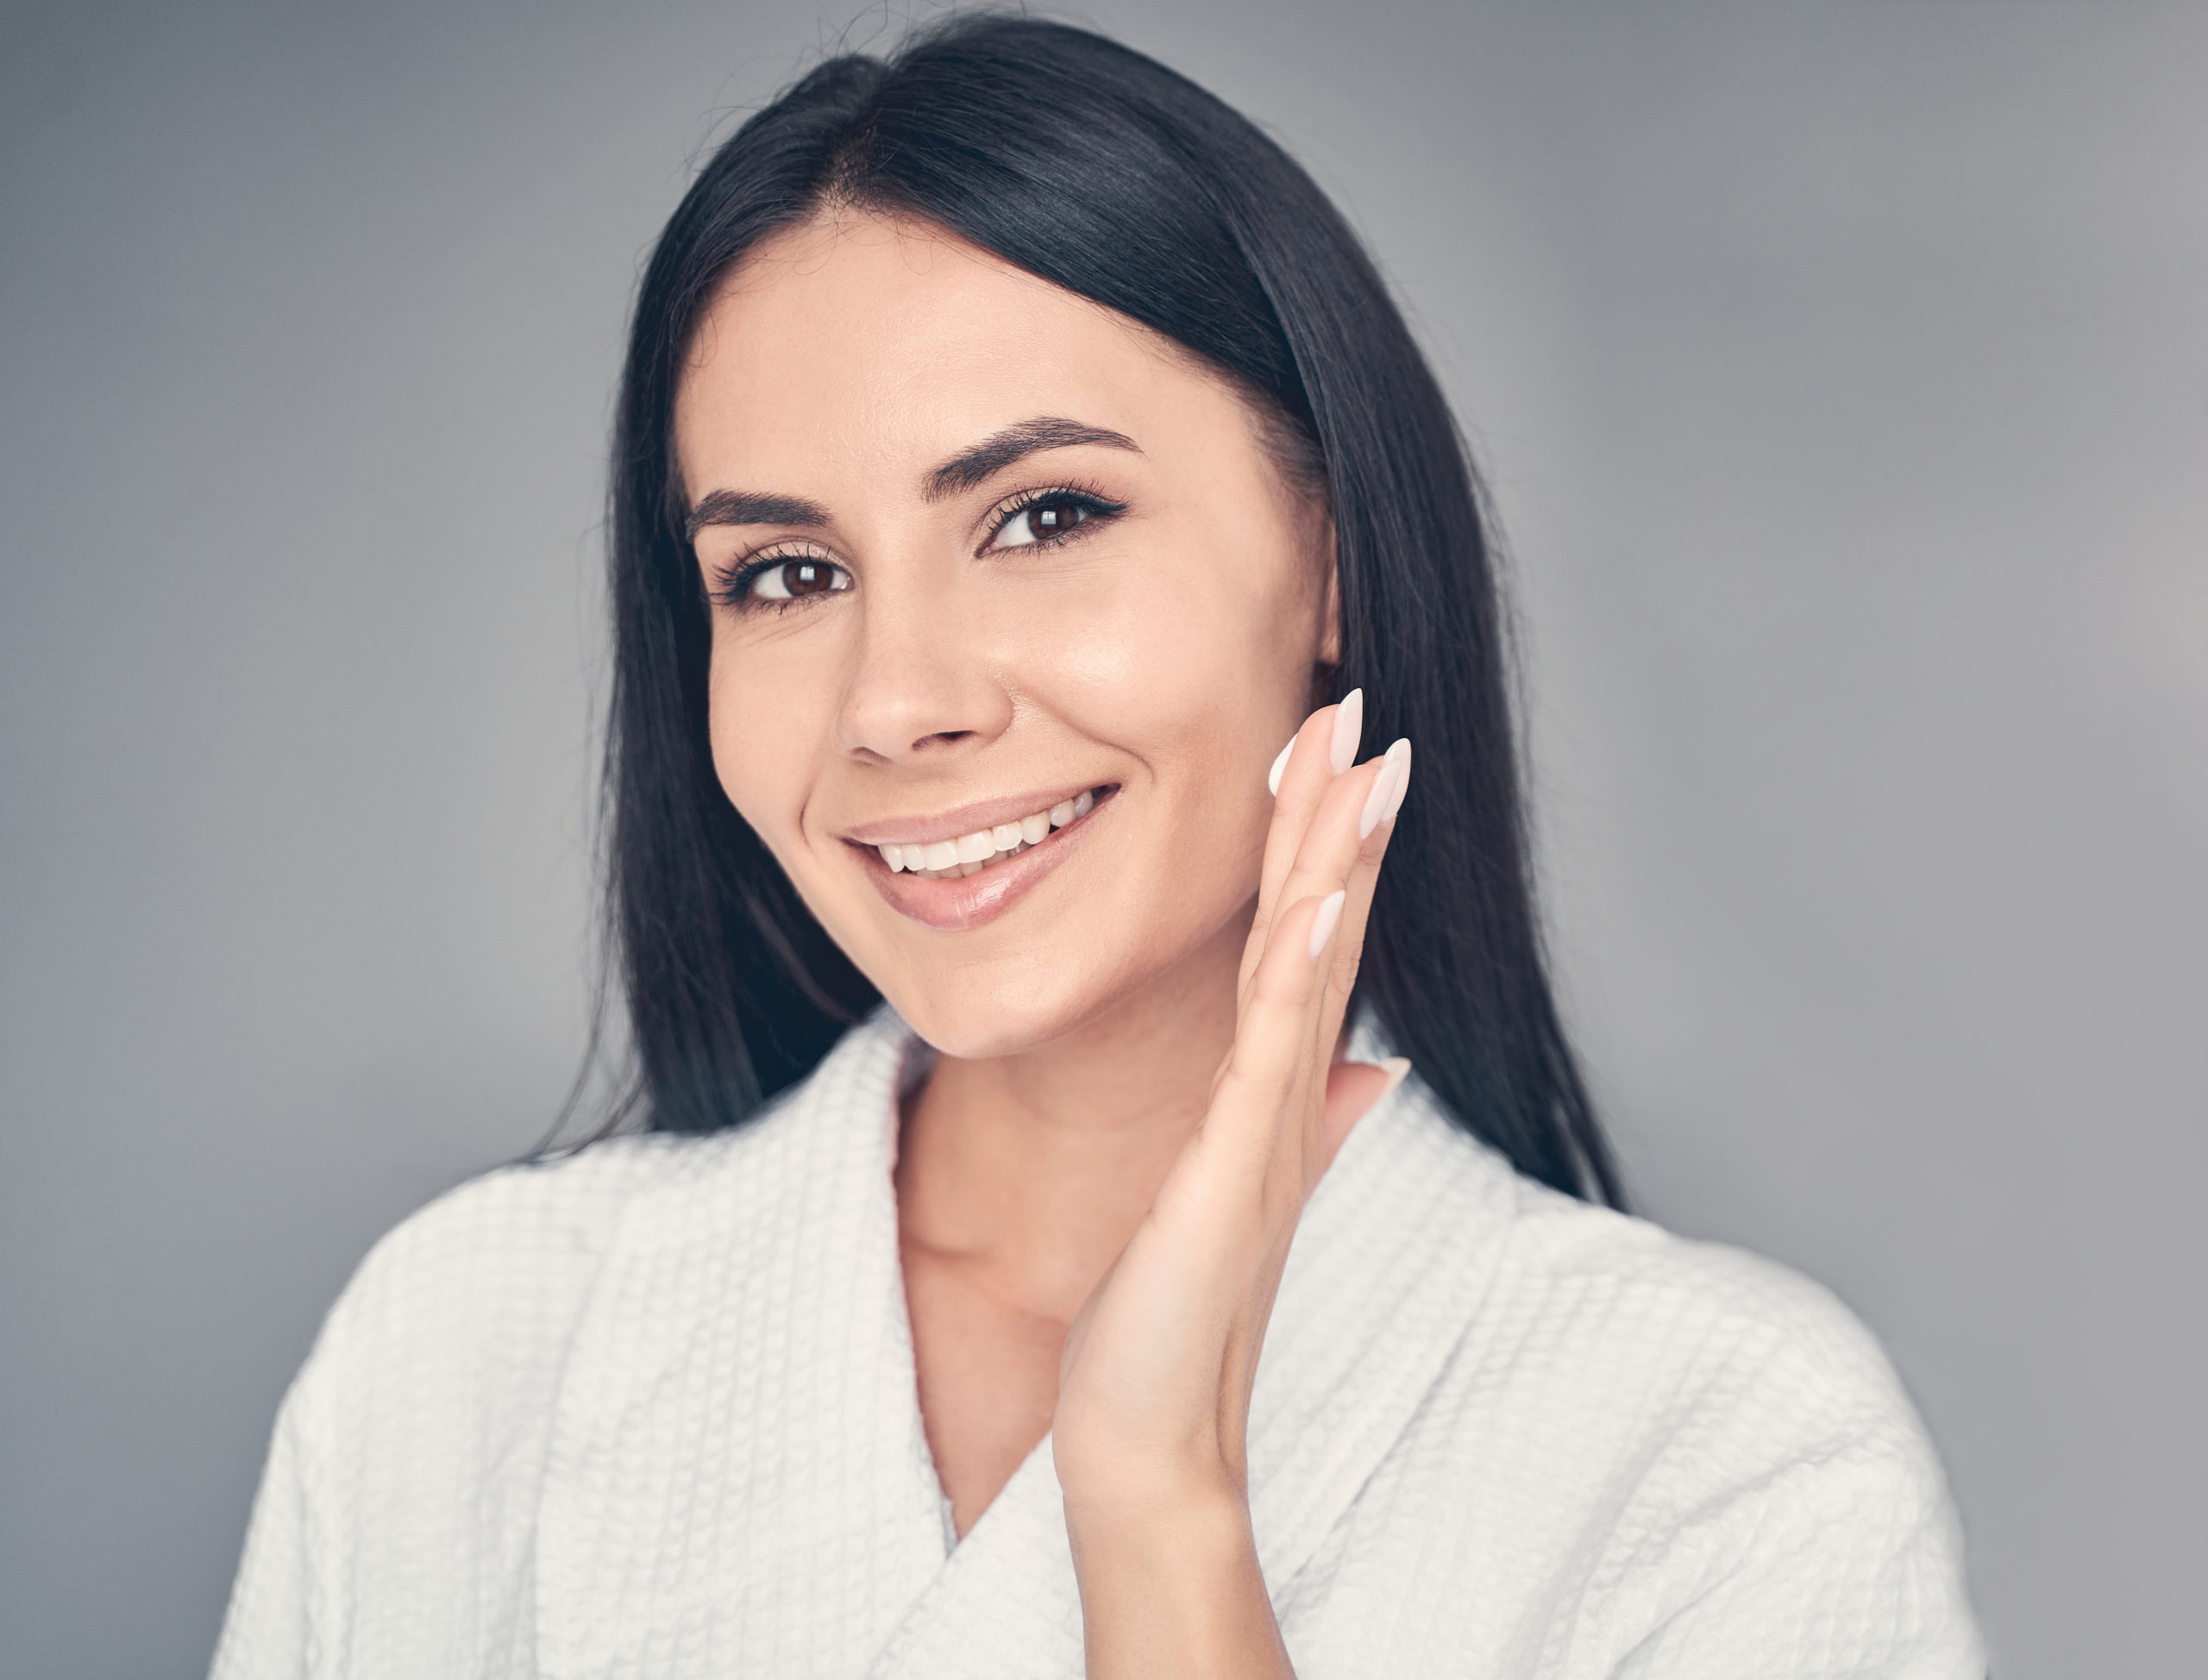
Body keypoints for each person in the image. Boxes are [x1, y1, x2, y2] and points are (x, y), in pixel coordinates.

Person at [209, 15, 1983, 1677]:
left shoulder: (1719, 1449)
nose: (895, 701)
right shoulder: (463, 1348)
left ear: (1335, 555)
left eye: (1043, 515)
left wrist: (1154, 1501)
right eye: (786, 572)